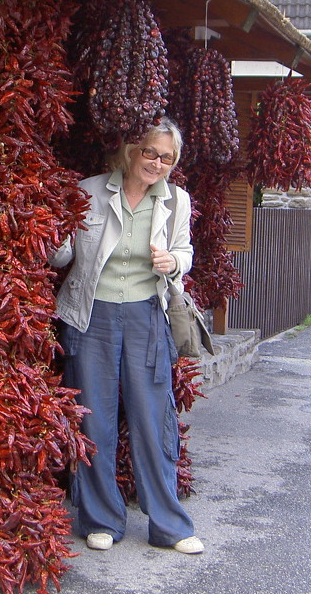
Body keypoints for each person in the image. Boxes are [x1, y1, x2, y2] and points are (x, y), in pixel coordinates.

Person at [50, 117, 203, 554]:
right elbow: (61, 257)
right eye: (150, 152)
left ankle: (170, 525)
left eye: (167, 157)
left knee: (153, 420)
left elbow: (185, 252)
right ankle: (100, 518)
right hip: (91, 315)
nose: (157, 163)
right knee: (93, 417)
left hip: (146, 316)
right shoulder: (89, 191)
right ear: (131, 150)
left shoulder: (176, 200)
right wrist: (52, 232)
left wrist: (172, 261)